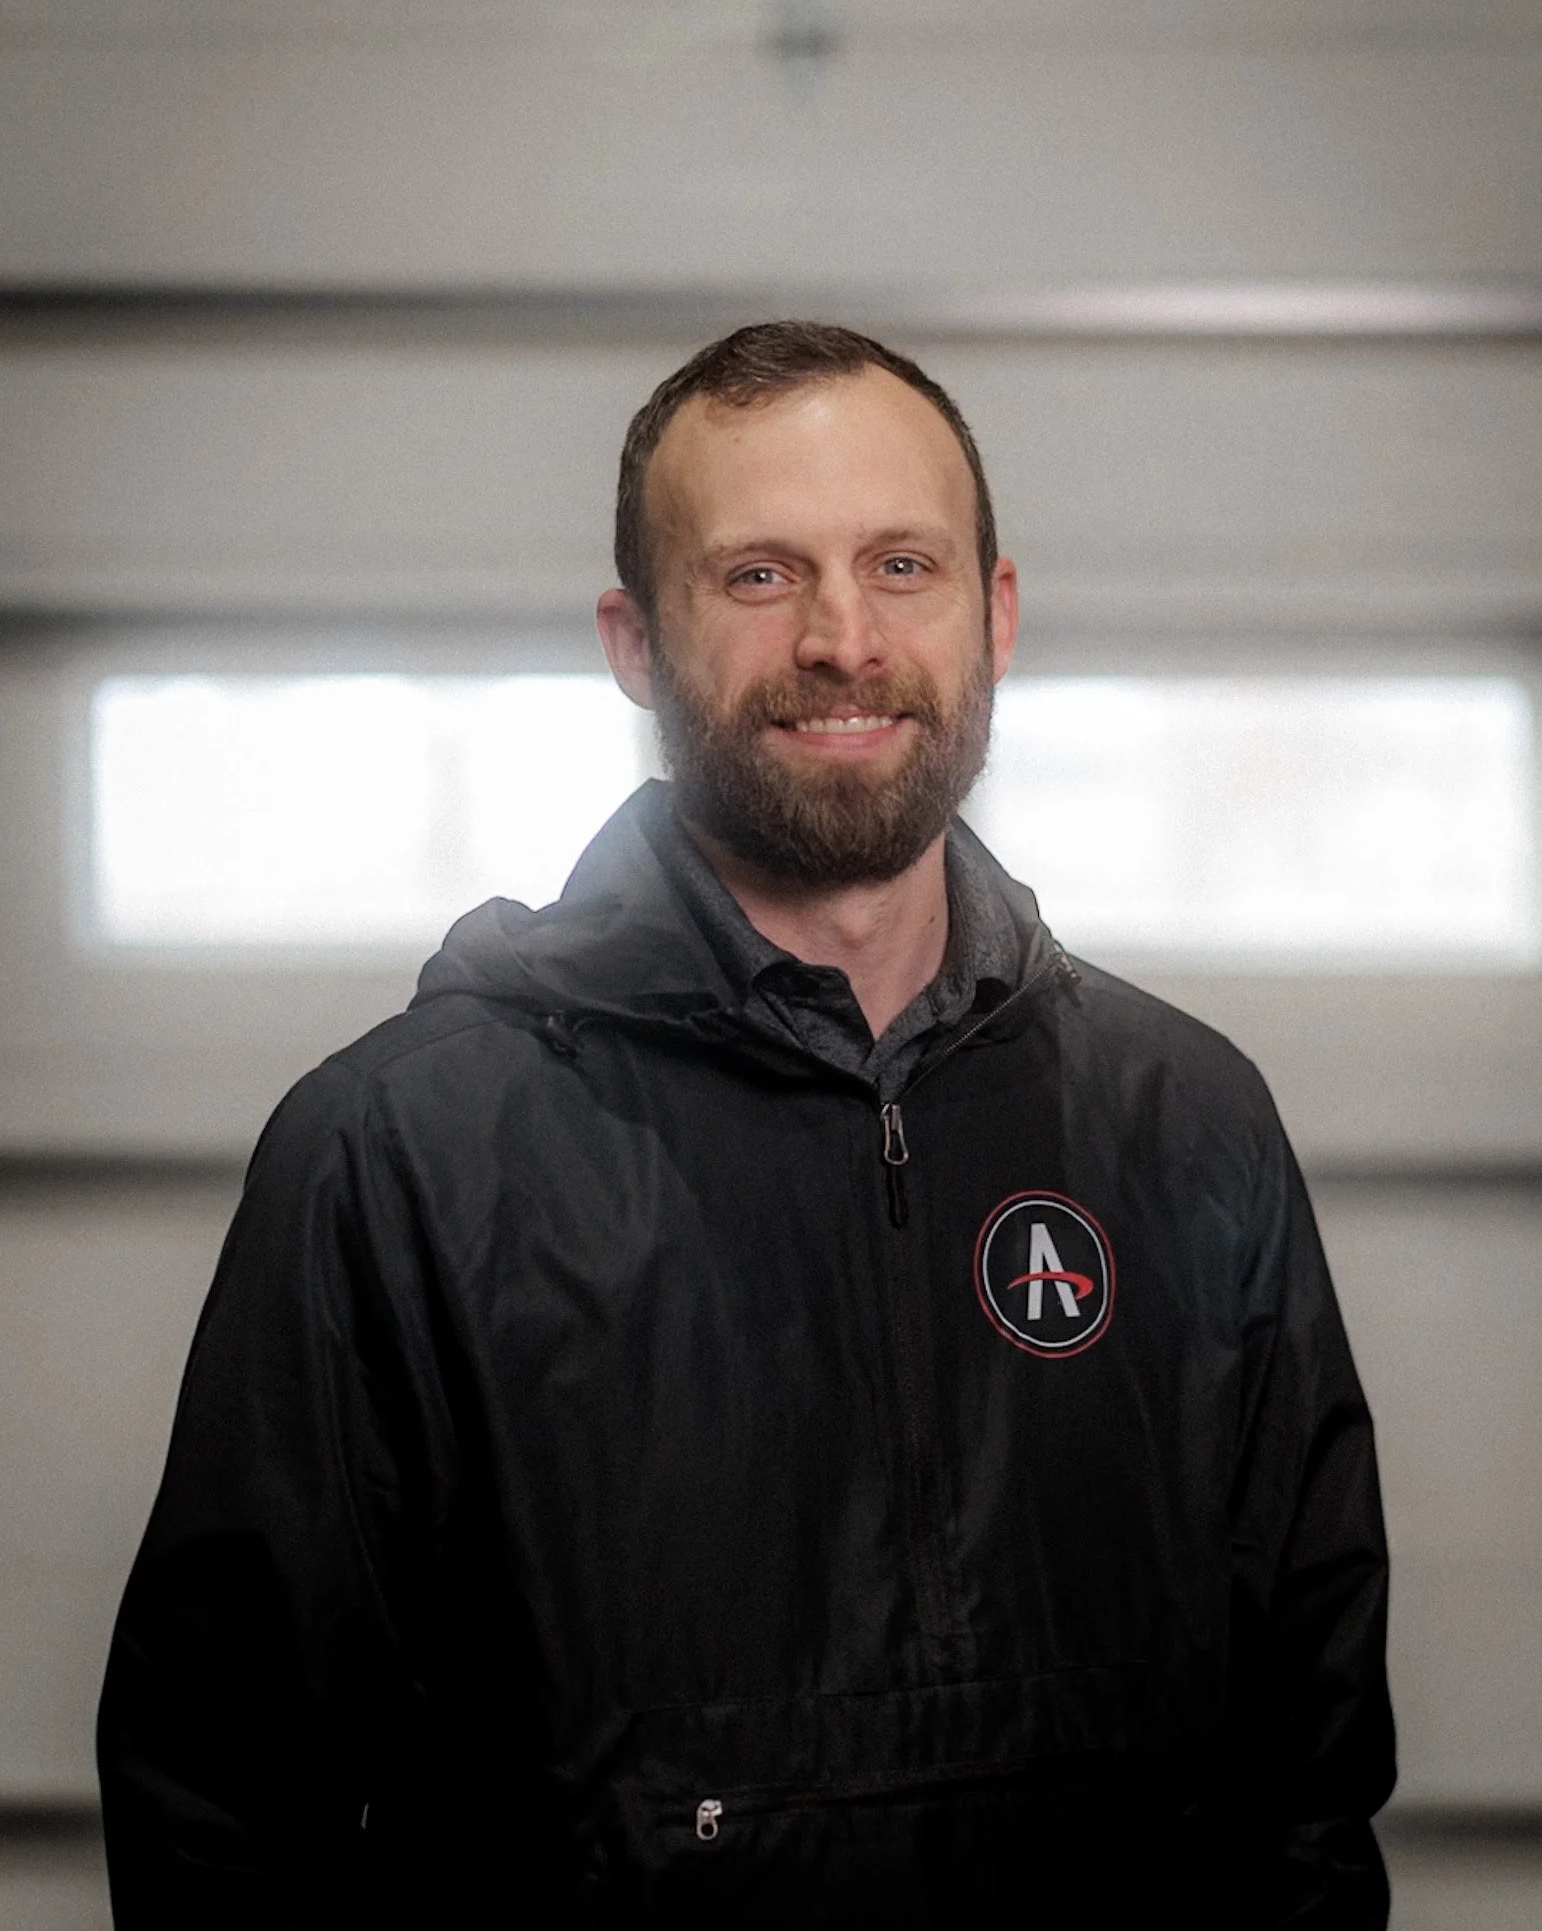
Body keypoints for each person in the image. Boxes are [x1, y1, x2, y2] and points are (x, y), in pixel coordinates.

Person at [98, 322, 1394, 1927]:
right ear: (634, 644)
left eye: (902, 564)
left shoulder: (1187, 1120)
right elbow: (225, 1813)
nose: (844, 640)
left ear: (994, 614)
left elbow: (1306, 1770)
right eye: (761, 576)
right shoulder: (396, 1158)